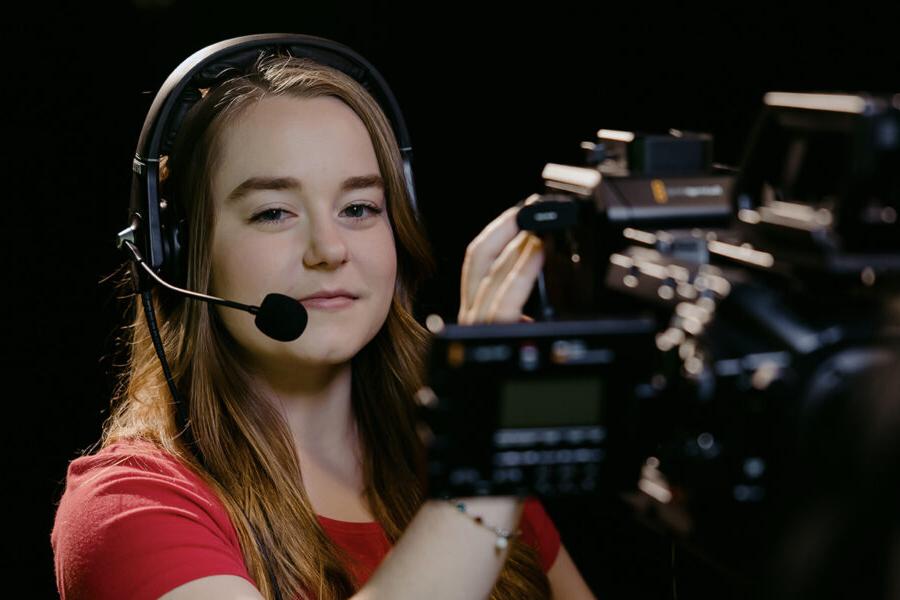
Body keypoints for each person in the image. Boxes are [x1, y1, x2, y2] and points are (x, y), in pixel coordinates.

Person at [50, 50, 596, 600]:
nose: (329, 251)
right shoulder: (127, 508)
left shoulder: (456, 452)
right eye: (273, 212)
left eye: (359, 208)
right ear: (181, 251)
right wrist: (486, 463)